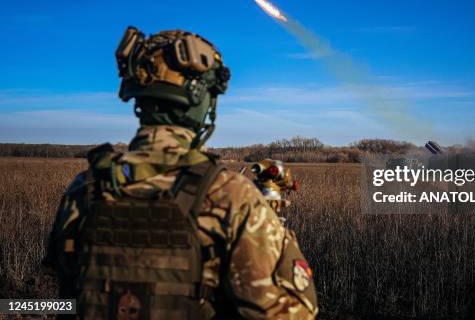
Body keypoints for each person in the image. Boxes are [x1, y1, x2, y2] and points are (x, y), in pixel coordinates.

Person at [43, 27, 318, 319]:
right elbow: (289, 313)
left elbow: (67, 293)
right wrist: (279, 236)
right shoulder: (230, 196)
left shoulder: (85, 187)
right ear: (201, 100)